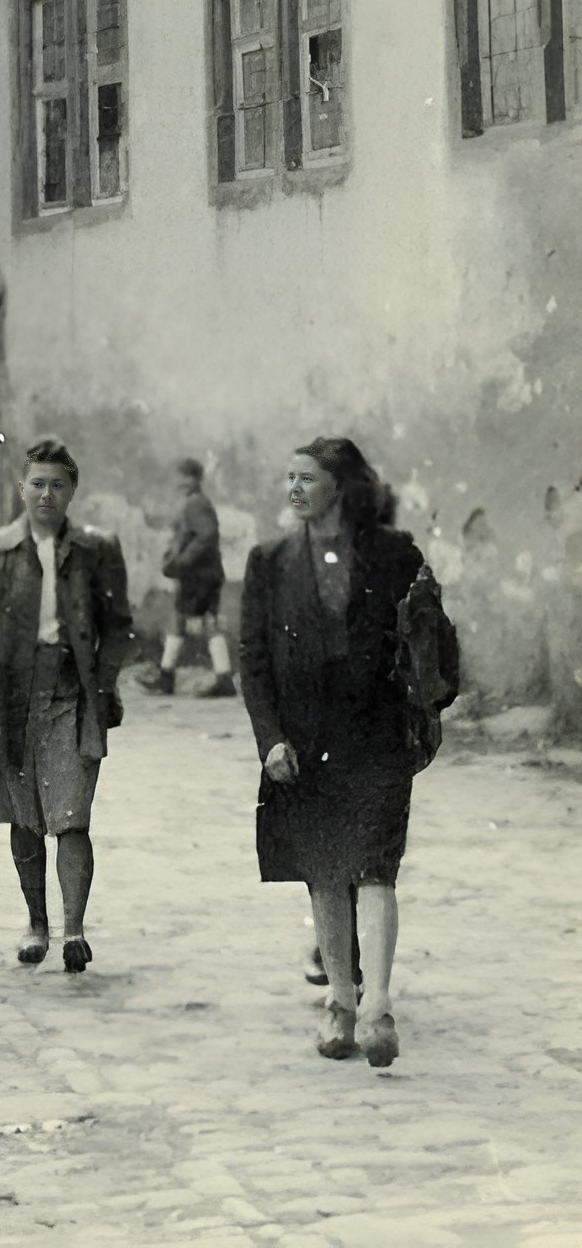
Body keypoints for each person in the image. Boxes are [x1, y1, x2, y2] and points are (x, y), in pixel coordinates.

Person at [240, 435, 457, 1069]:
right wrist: (270, 739)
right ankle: (340, 1000)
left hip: (379, 731)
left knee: (377, 866)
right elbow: (253, 662)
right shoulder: (269, 562)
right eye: (289, 478)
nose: (295, 489)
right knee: (325, 871)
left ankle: (378, 1007)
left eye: (307, 477)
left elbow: (430, 639)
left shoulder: (395, 555)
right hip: (307, 737)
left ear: (341, 486)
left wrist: (425, 700)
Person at [0, 437, 134, 973]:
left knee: (73, 818)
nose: (47, 495)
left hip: (72, 699)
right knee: (27, 819)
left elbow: (120, 626)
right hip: (11, 701)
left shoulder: (97, 549)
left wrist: (102, 682)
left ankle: (74, 930)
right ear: (21, 488)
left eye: (58, 485)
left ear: (72, 491)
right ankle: (37, 923)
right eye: (38, 484)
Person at [153, 458, 235, 698]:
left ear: (194, 479)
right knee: (186, 619)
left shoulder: (196, 504)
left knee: (199, 620)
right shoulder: (192, 502)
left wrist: (182, 561)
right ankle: (168, 677)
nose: (178, 482)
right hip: (200, 574)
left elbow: (205, 535)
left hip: (200, 574)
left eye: (183, 477)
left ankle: (219, 680)